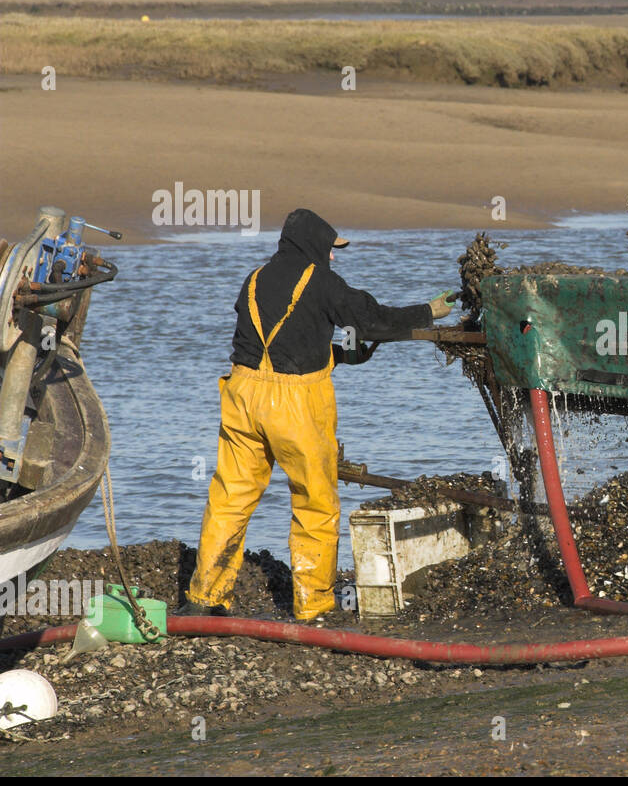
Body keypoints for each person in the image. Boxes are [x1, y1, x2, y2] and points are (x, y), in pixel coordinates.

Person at [182, 209, 456, 620]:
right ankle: (313, 605)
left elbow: (282, 345)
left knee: (230, 498)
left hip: (241, 395)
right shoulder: (322, 281)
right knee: (315, 501)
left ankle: (204, 597)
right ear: (313, 245)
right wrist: (427, 313)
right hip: (296, 405)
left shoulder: (254, 280)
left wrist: (343, 355)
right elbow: (373, 319)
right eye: (330, 249)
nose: (332, 257)